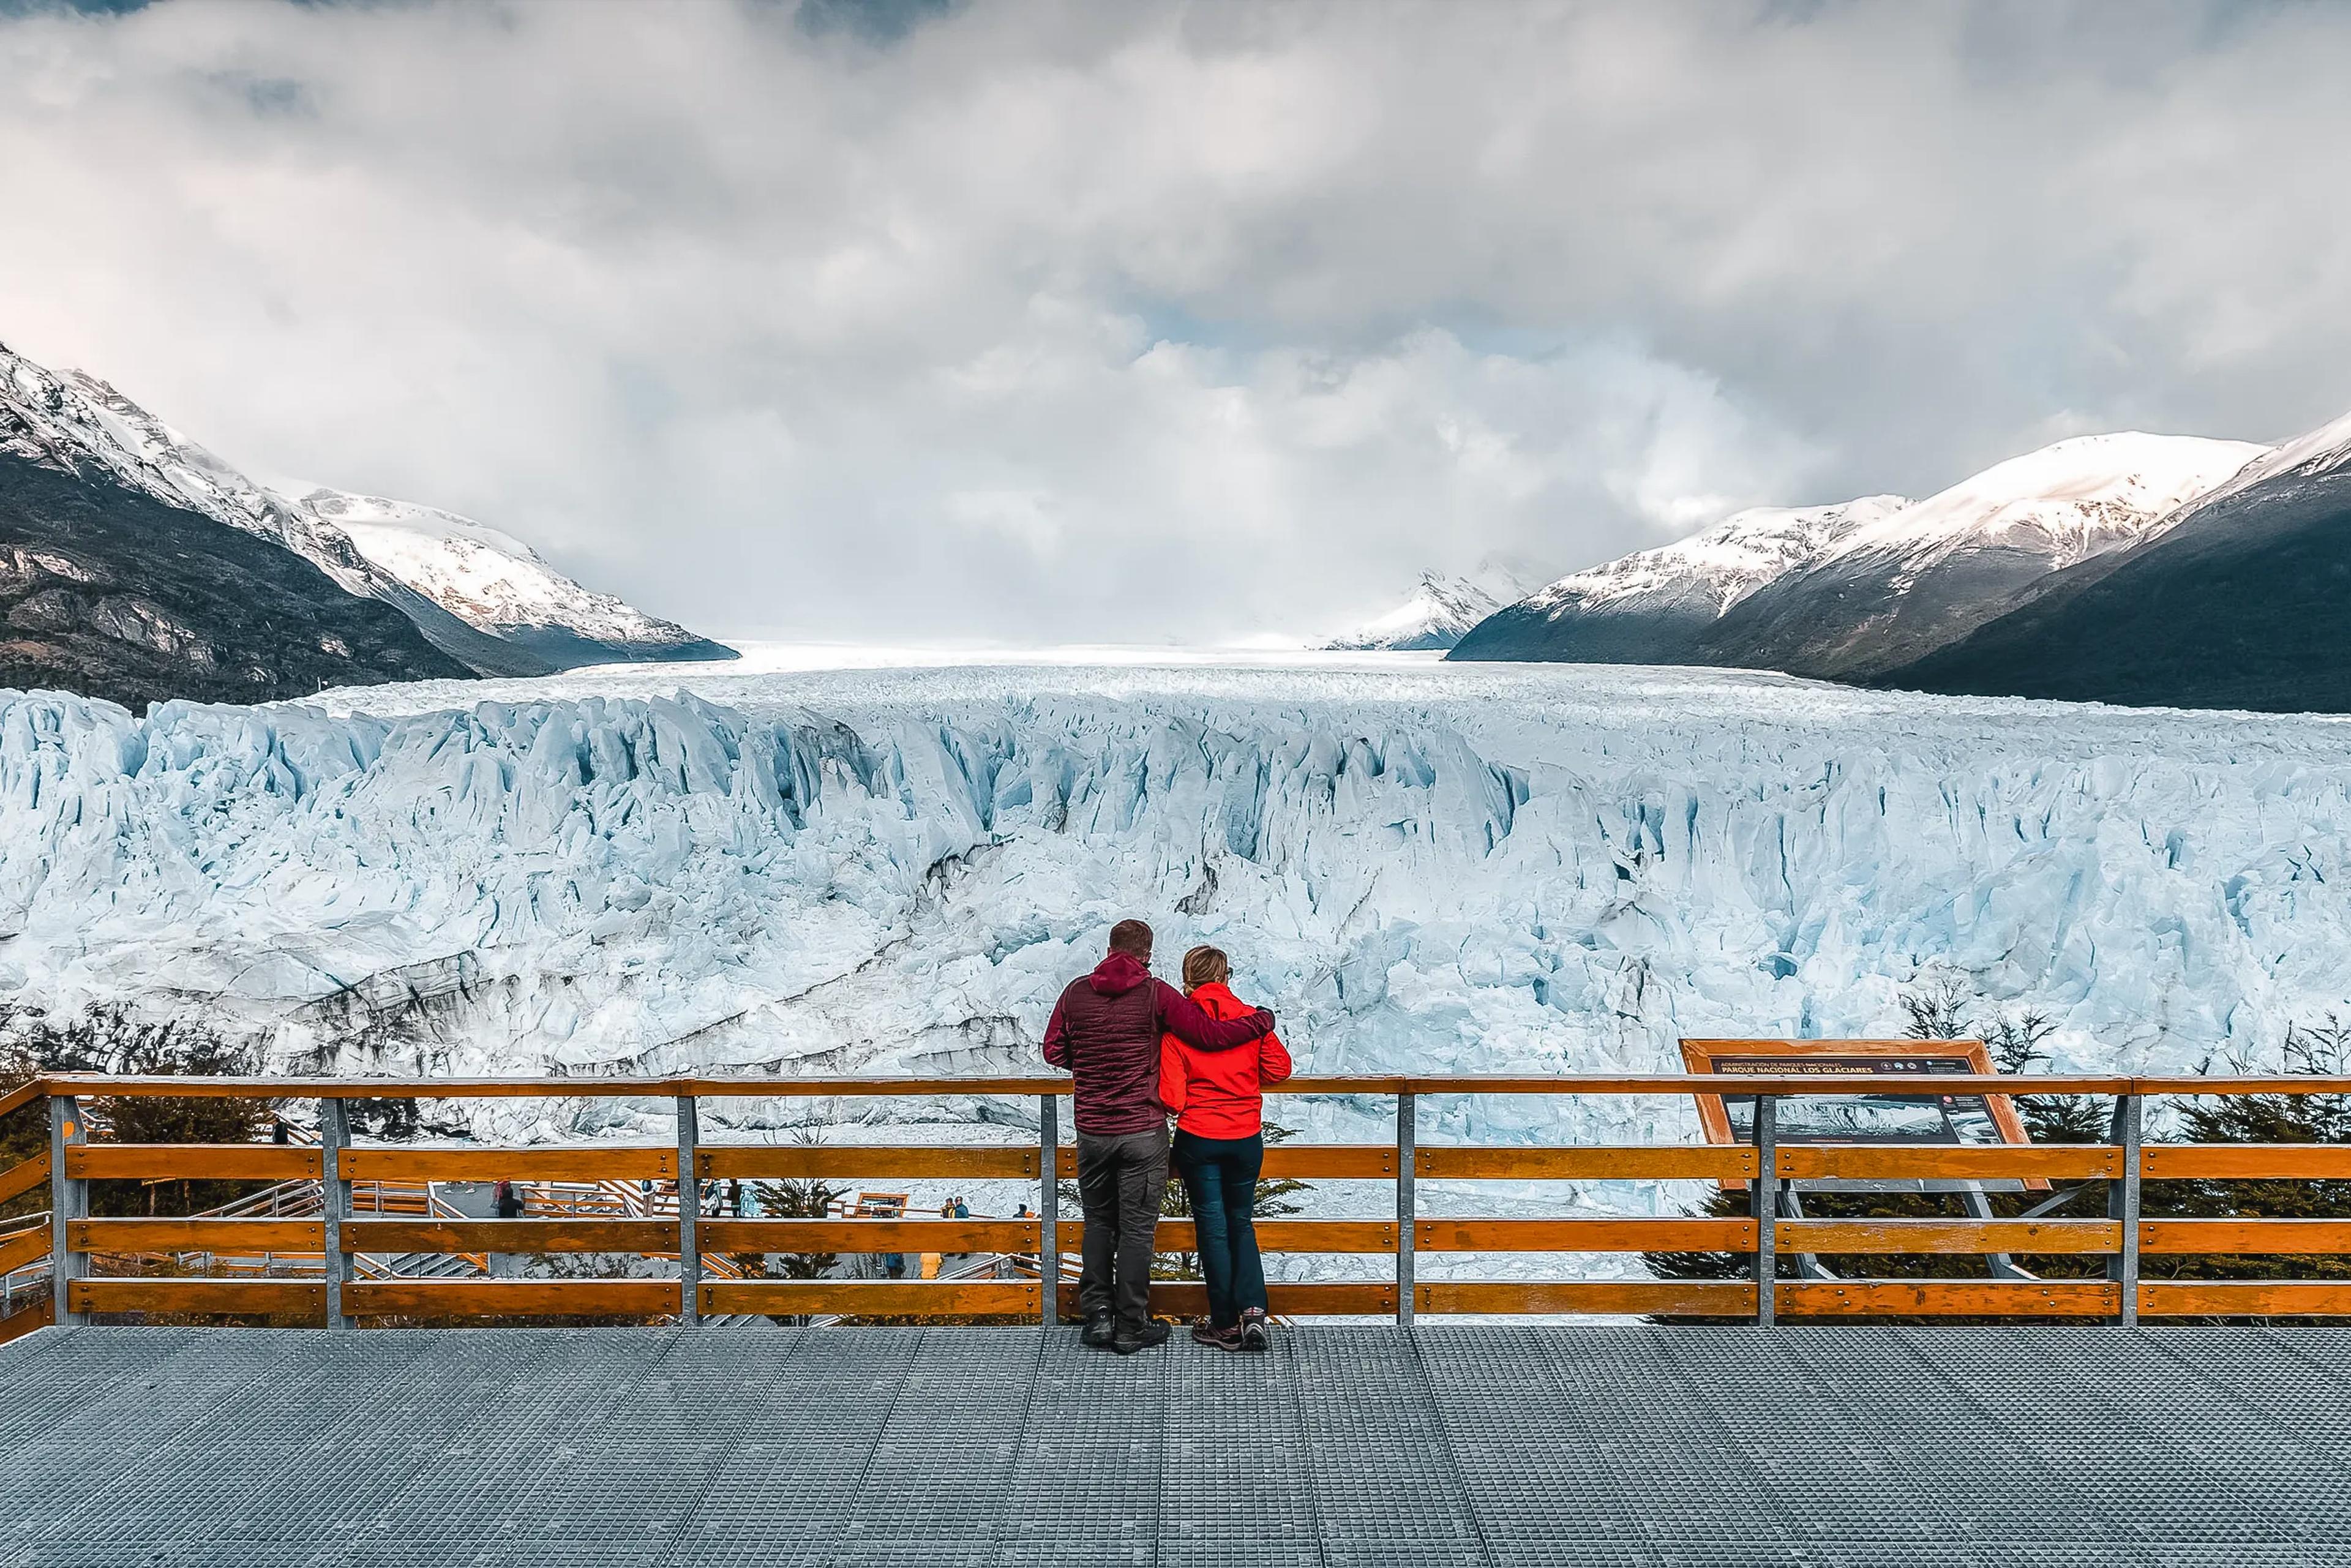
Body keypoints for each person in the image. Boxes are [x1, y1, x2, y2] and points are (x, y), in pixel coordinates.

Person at [1042, 918, 1275, 1354]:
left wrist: (1093, 1065)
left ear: (1109, 949)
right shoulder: (1155, 993)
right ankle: (1131, 1324)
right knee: (1136, 1230)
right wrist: (1261, 1021)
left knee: (1098, 1222)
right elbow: (1209, 1033)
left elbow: (1053, 1049)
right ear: (1147, 955)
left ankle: (1097, 1316)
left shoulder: (1075, 992)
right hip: (1143, 1131)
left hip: (1092, 1130)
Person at [1160, 945, 1291, 1352]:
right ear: (1226, 976)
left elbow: (1172, 1097)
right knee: (1241, 1223)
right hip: (1246, 1137)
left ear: (1189, 978)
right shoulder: (1252, 1021)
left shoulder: (1180, 1028)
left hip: (1200, 1139)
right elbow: (1279, 1069)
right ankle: (1253, 1311)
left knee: (1213, 1230)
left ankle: (1223, 1324)